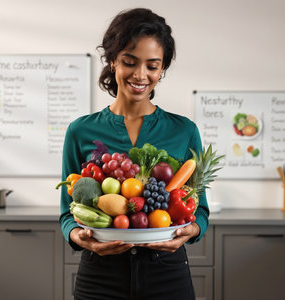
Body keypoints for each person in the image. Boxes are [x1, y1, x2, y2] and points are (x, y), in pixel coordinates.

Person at [59, 8, 210, 300]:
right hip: (100, 275)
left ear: (162, 69)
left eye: (152, 66)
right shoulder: (80, 131)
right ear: (113, 60)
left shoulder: (184, 131)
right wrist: (78, 237)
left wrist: (193, 230)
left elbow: (200, 209)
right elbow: (68, 212)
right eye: (130, 62)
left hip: (167, 272)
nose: (141, 75)